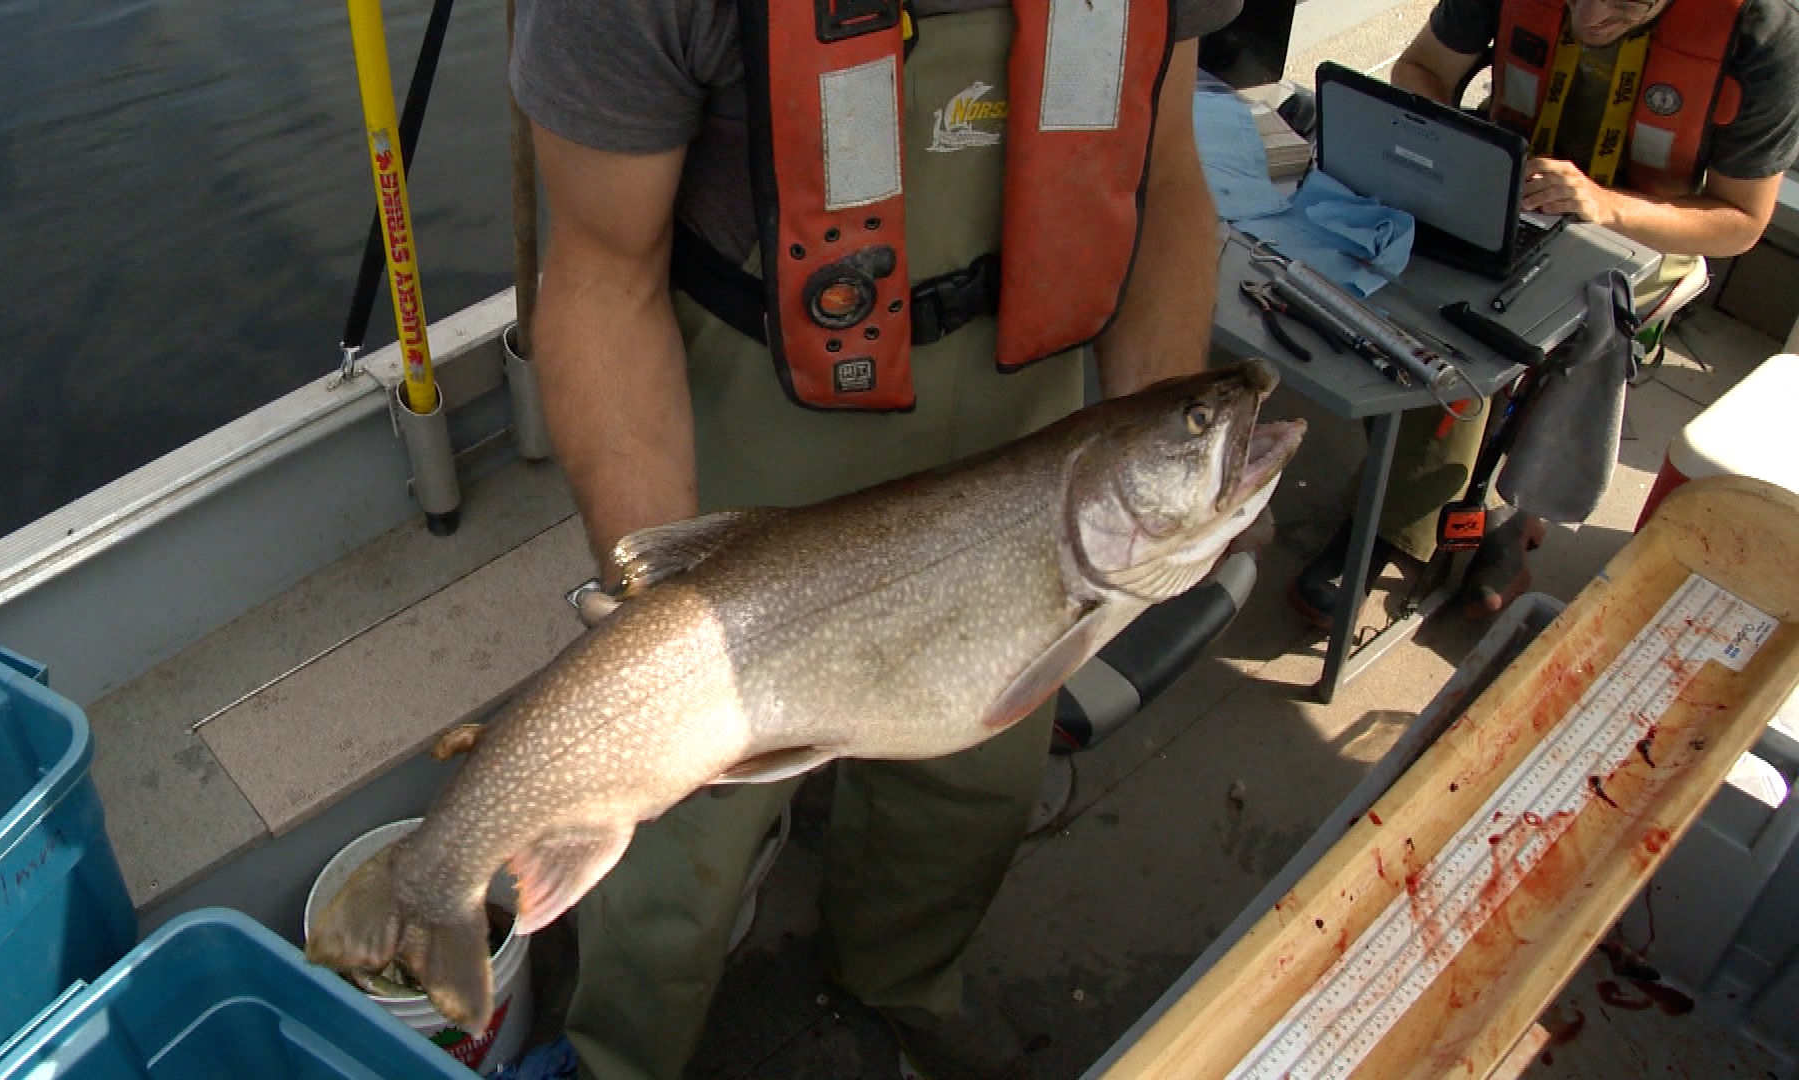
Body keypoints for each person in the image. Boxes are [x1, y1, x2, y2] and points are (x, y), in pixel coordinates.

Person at [507, 0, 1241, 1077]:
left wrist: (1173, 479)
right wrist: (653, 610)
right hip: (757, 434)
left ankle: (895, 1002)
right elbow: (603, 272)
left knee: (974, 784)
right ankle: (623, 1054)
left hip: (1029, 432)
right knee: (675, 833)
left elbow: (1164, 173)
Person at [1288, 0, 1799, 626]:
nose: (1590, 14)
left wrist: (1605, 207)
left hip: (1642, 231)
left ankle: (1467, 512)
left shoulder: (1764, 36)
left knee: (1528, 337)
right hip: (1500, 193)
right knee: (1412, 294)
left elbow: (1740, 221)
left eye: (1625, 4)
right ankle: (1427, 507)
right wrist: (1453, 159)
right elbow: (1422, 67)